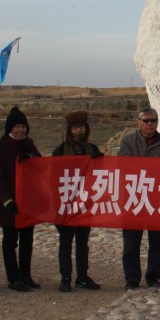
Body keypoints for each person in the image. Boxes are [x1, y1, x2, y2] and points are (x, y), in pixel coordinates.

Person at [118, 107, 160, 290]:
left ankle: (153, 276)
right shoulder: (128, 141)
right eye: (146, 121)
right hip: (133, 198)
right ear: (139, 123)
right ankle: (132, 278)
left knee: (156, 242)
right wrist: (151, 170)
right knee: (131, 243)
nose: (150, 124)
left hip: (157, 198)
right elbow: (125, 166)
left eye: (153, 120)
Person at [51, 110, 103, 293]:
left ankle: (82, 276)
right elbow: (53, 177)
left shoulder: (92, 150)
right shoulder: (60, 151)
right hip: (66, 203)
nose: (79, 130)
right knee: (66, 241)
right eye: (75, 128)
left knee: (83, 242)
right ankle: (65, 277)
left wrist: (100, 161)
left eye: (82, 127)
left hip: (85, 203)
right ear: (69, 130)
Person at [0, 106, 42, 292]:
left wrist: (31, 157)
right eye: (17, 126)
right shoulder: (1, 147)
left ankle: (26, 275)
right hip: (10, 202)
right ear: (9, 128)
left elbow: (40, 166)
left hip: (28, 200)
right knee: (10, 240)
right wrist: (7, 200)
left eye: (23, 126)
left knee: (27, 239)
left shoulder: (29, 145)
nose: (20, 130)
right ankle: (13, 278)